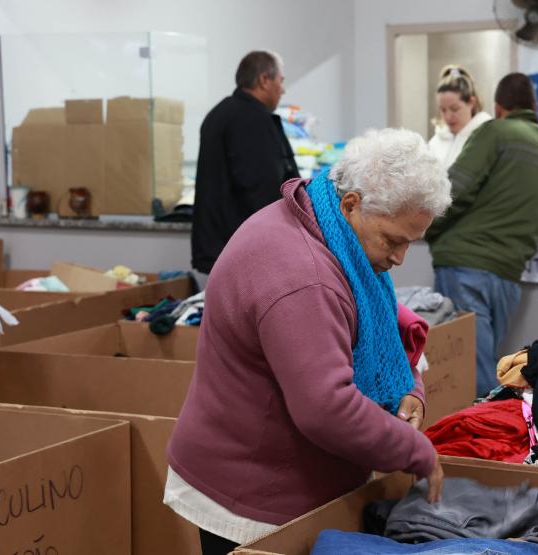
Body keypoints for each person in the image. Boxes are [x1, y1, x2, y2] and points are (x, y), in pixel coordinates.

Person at [166, 128, 450, 554]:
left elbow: (389, 331)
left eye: (411, 242)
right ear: (352, 204)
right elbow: (326, 408)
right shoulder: (305, 278)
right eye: (394, 240)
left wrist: (411, 389)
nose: (398, 258)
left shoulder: (329, 230)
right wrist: (414, 449)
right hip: (251, 498)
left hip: (286, 481)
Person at [425, 72, 538, 397]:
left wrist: (426, 230)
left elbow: (453, 189)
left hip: (464, 266)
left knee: (466, 376)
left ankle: (479, 442)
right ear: (533, 105)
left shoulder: (495, 132)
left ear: (498, 107)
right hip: (508, 277)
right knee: (485, 366)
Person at [190, 50, 299, 277]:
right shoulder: (252, 121)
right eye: (281, 81)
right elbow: (262, 191)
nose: (283, 89)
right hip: (245, 250)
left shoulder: (220, 114)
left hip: (222, 247)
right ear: (264, 81)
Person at [428, 65, 492, 170]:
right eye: (443, 110)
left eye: (455, 109)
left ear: (471, 103)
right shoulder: (435, 142)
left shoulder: (487, 138)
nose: (448, 116)